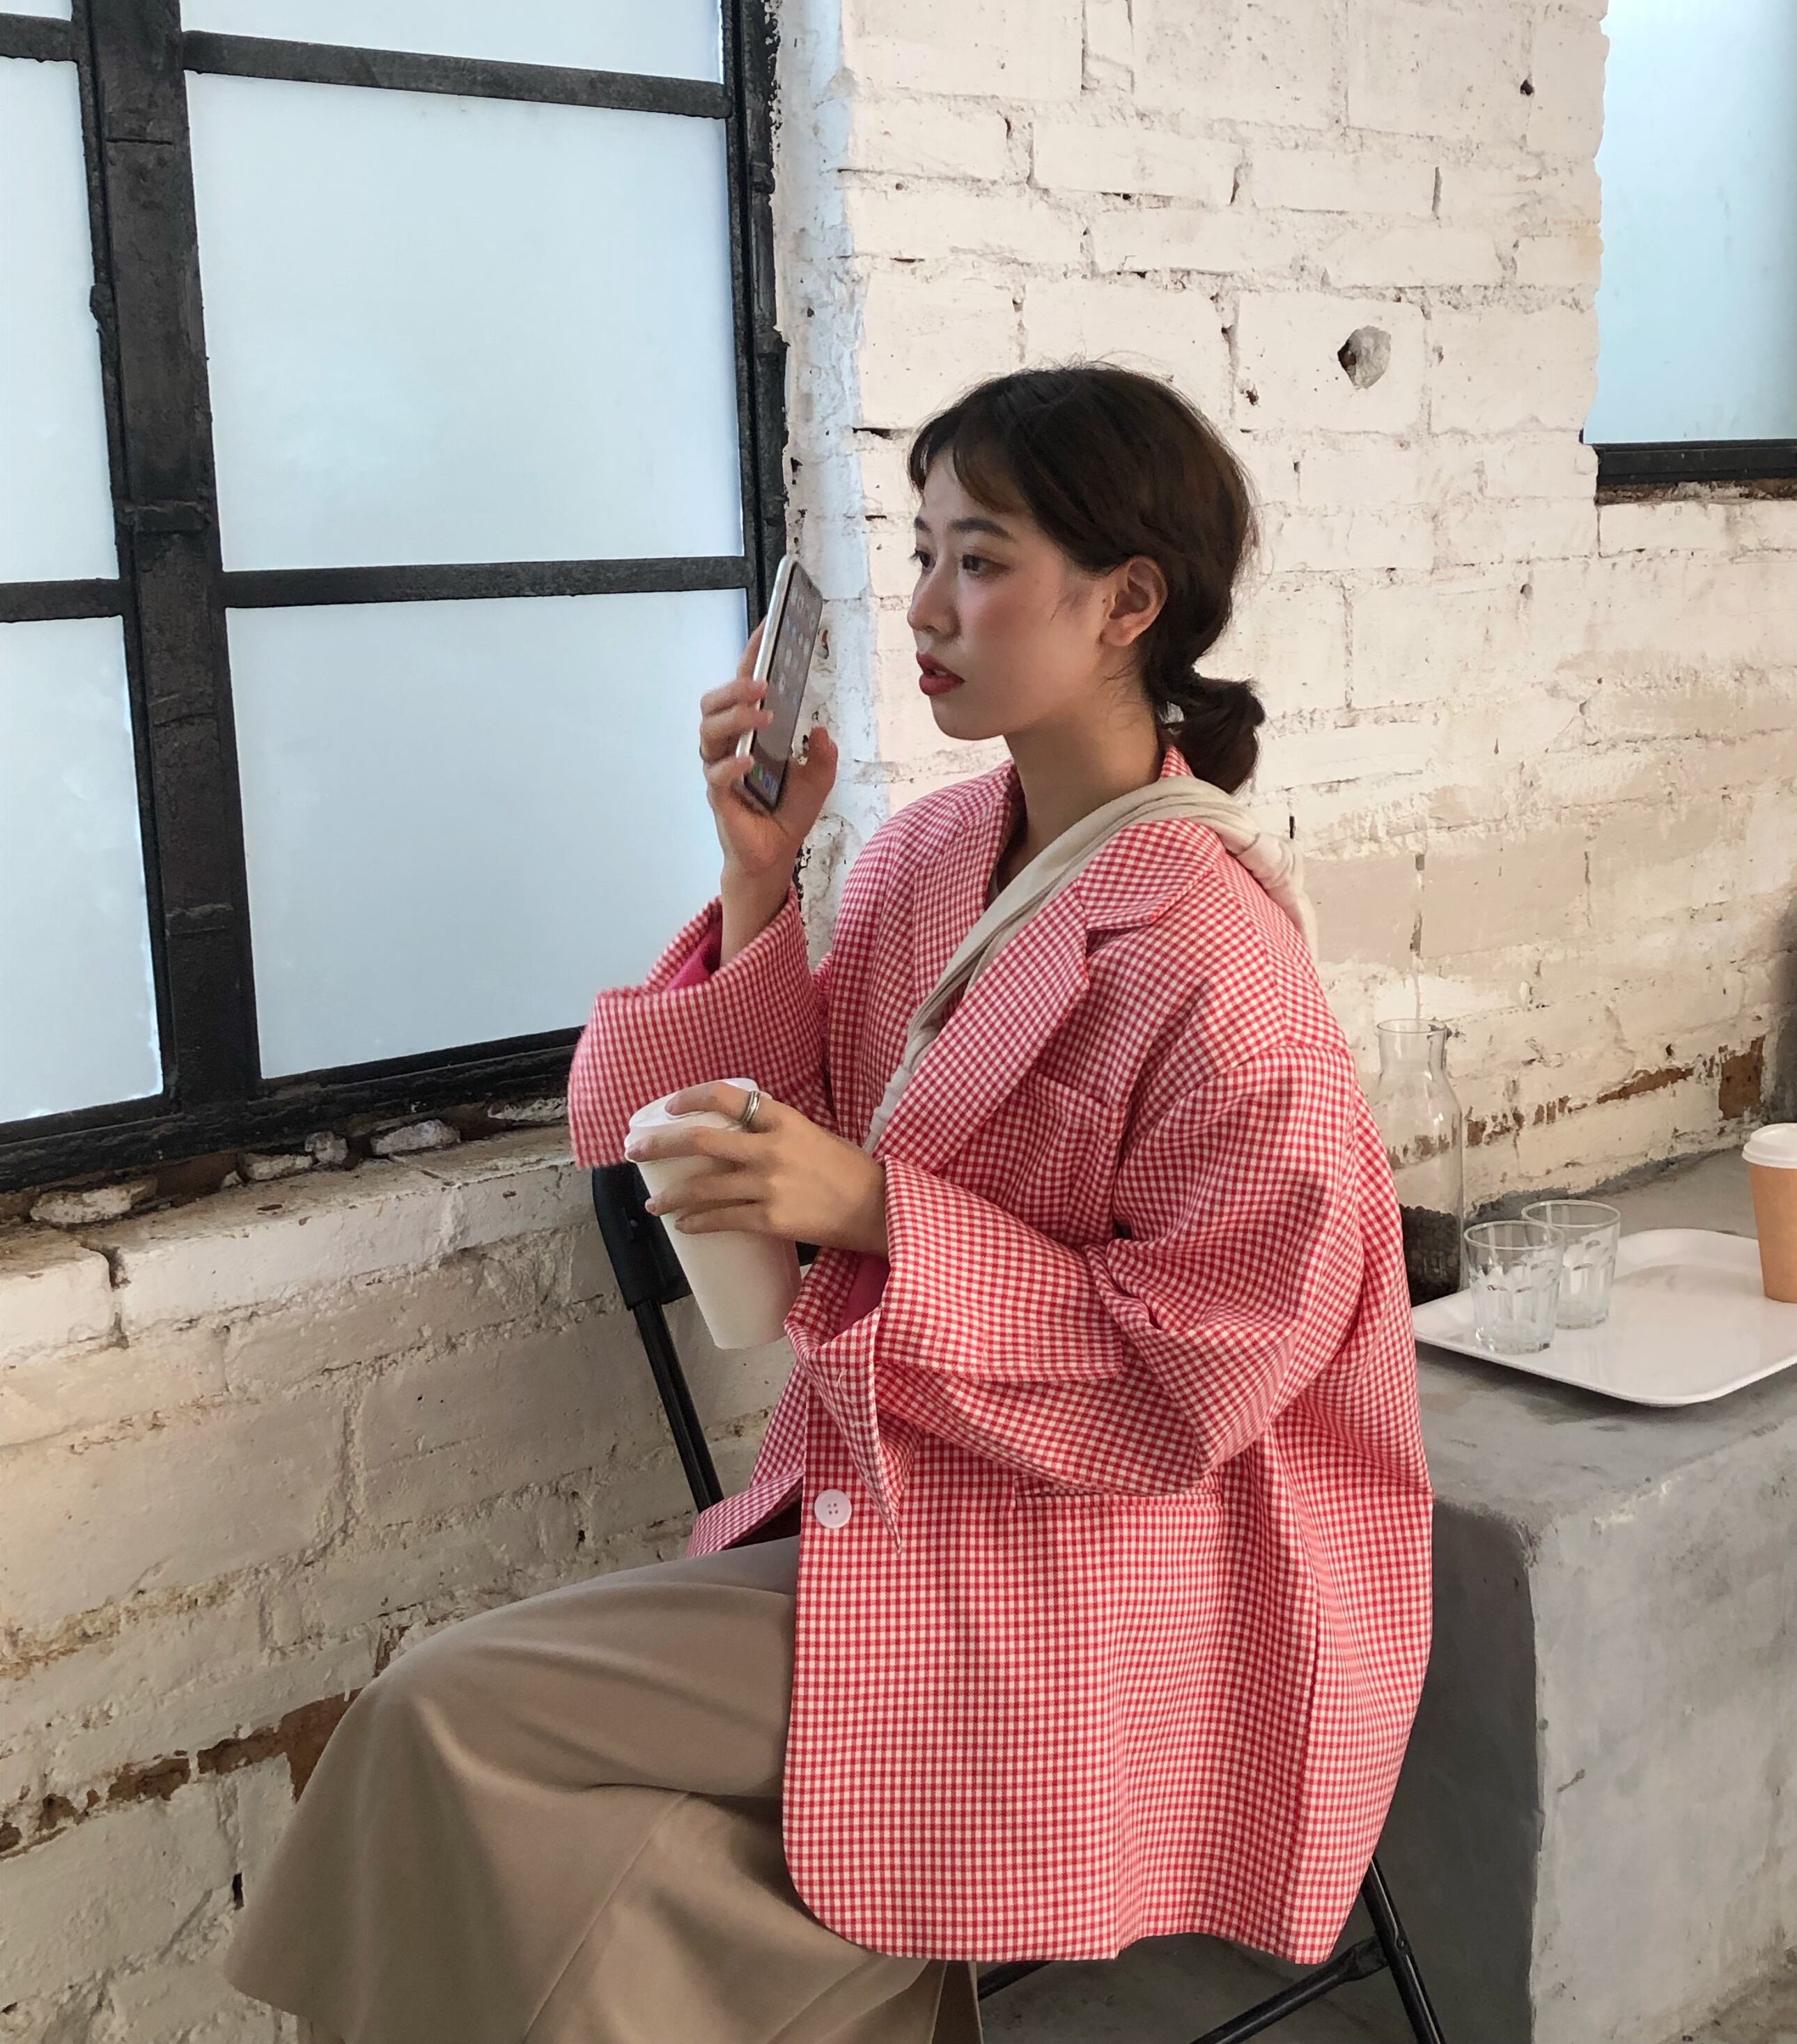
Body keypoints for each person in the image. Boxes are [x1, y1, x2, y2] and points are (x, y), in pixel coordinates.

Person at [222, 364, 1433, 2044]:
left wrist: (880, 1212)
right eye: (924, 552)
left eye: (980, 562)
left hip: (1098, 1560)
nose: (924, 606)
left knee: (443, 1721)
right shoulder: (937, 853)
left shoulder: (1221, 967)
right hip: (896, 1496)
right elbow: (764, 1123)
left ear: (1128, 604)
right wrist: (758, 876)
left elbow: (1208, 1372)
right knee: (598, 1881)